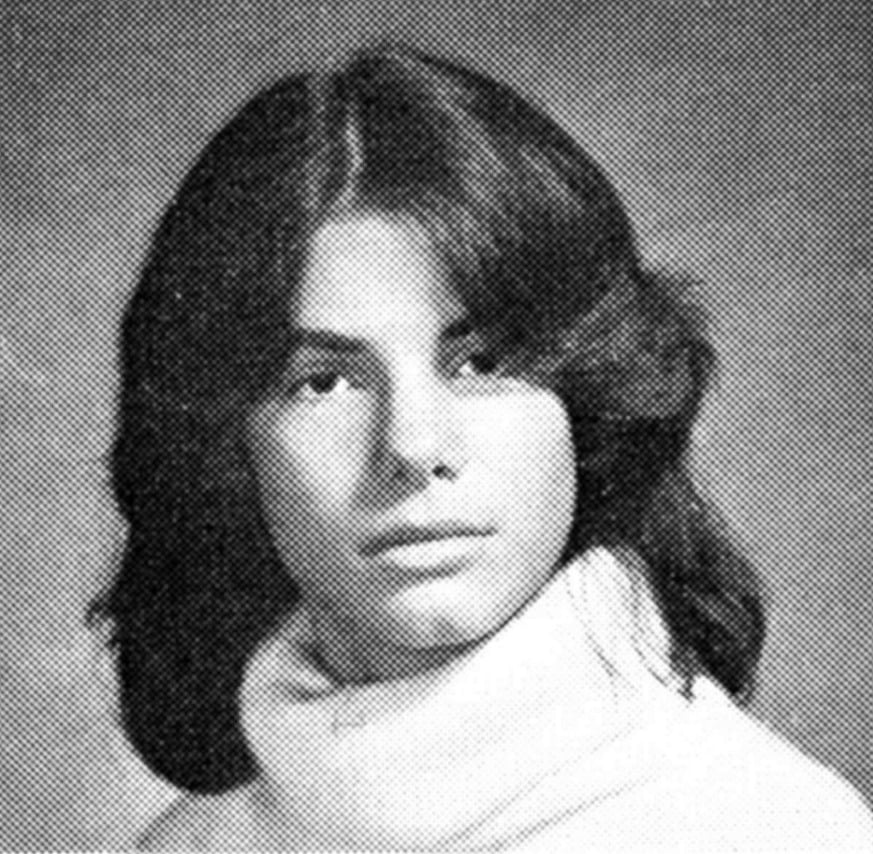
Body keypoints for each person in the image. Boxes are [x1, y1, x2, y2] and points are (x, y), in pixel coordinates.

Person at [91, 43, 873, 850]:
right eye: (322, 382)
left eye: (480, 364)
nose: (413, 445)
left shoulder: (775, 828)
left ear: (589, 403)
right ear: (226, 446)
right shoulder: (186, 847)